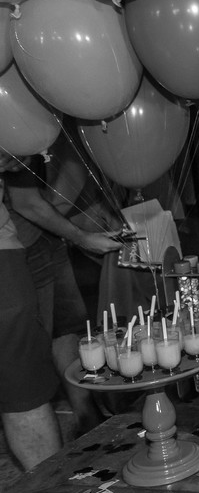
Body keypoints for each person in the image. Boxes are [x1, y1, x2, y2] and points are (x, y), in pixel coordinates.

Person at [4, 145, 120, 435]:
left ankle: (87, 417)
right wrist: (82, 238)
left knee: (68, 328)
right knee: (34, 349)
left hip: (47, 238)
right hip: (22, 245)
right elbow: (26, 201)